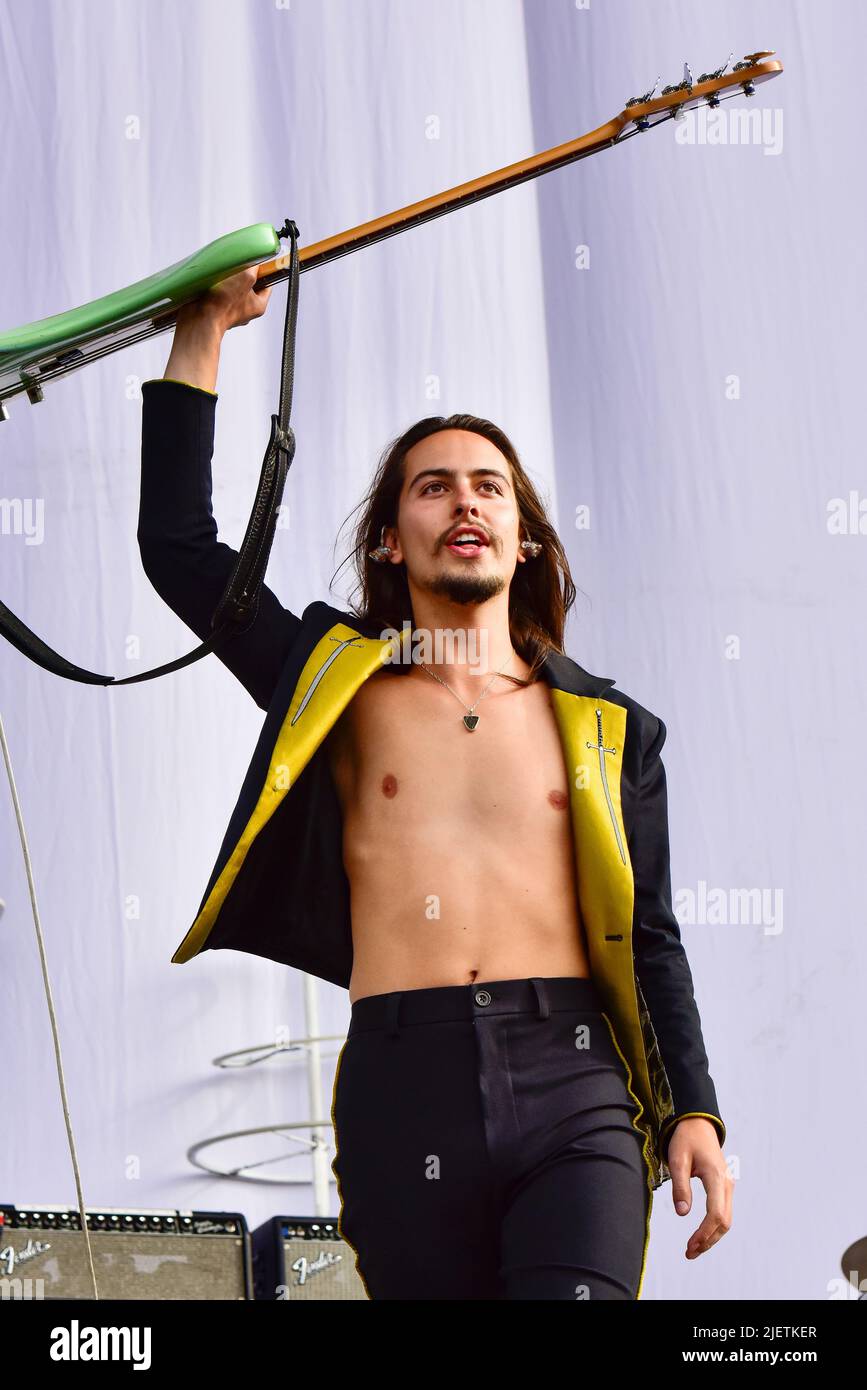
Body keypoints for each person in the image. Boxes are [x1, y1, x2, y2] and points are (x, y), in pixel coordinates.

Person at [137, 268, 733, 1300]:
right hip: (402, 1084)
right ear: (389, 536)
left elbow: (653, 934)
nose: (465, 500)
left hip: (575, 1081)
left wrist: (695, 1111)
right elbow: (181, 550)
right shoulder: (335, 686)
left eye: (488, 486)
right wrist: (203, 336)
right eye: (434, 485)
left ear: (524, 535)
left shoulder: (607, 728)